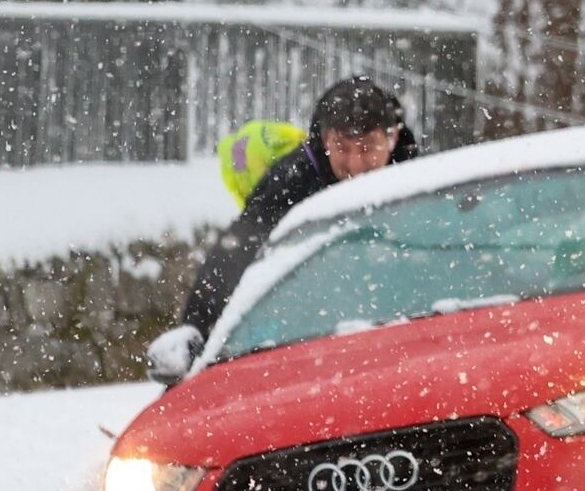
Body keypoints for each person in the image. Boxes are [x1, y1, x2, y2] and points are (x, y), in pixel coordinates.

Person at [146, 76, 419, 380]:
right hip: (310, 347)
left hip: (404, 344)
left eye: (368, 147)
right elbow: (234, 255)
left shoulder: (421, 184)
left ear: (392, 139)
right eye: (342, 147)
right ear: (324, 138)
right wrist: (196, 329)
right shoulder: (291, 180)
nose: (355, 164)